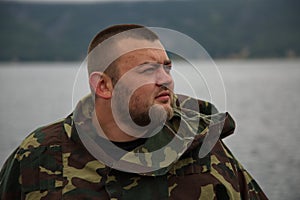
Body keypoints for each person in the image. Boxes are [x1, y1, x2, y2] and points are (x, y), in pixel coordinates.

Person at [0, 24, 268, 200]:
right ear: (103, 85)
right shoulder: (38, 154)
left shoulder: (203, 146)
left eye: (167, 66)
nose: (165, 79)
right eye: (147, 70)